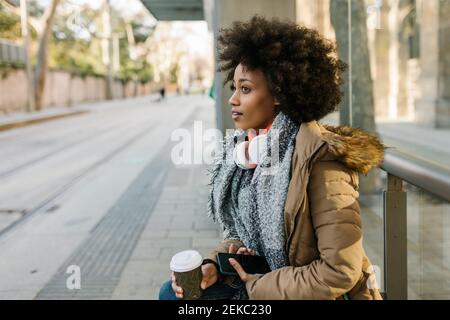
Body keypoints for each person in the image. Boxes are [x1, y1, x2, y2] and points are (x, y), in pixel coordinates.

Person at [159, 15, 384, 300]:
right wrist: (214, 265)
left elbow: (340, 271)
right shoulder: (249, 154)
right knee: (174, 292)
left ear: (278, 94)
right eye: (234, 88)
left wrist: (256, 287)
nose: (233, 99)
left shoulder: (320, 161)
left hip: (306, 293)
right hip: (269, 280)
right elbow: (245, 237)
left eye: (246, 89)